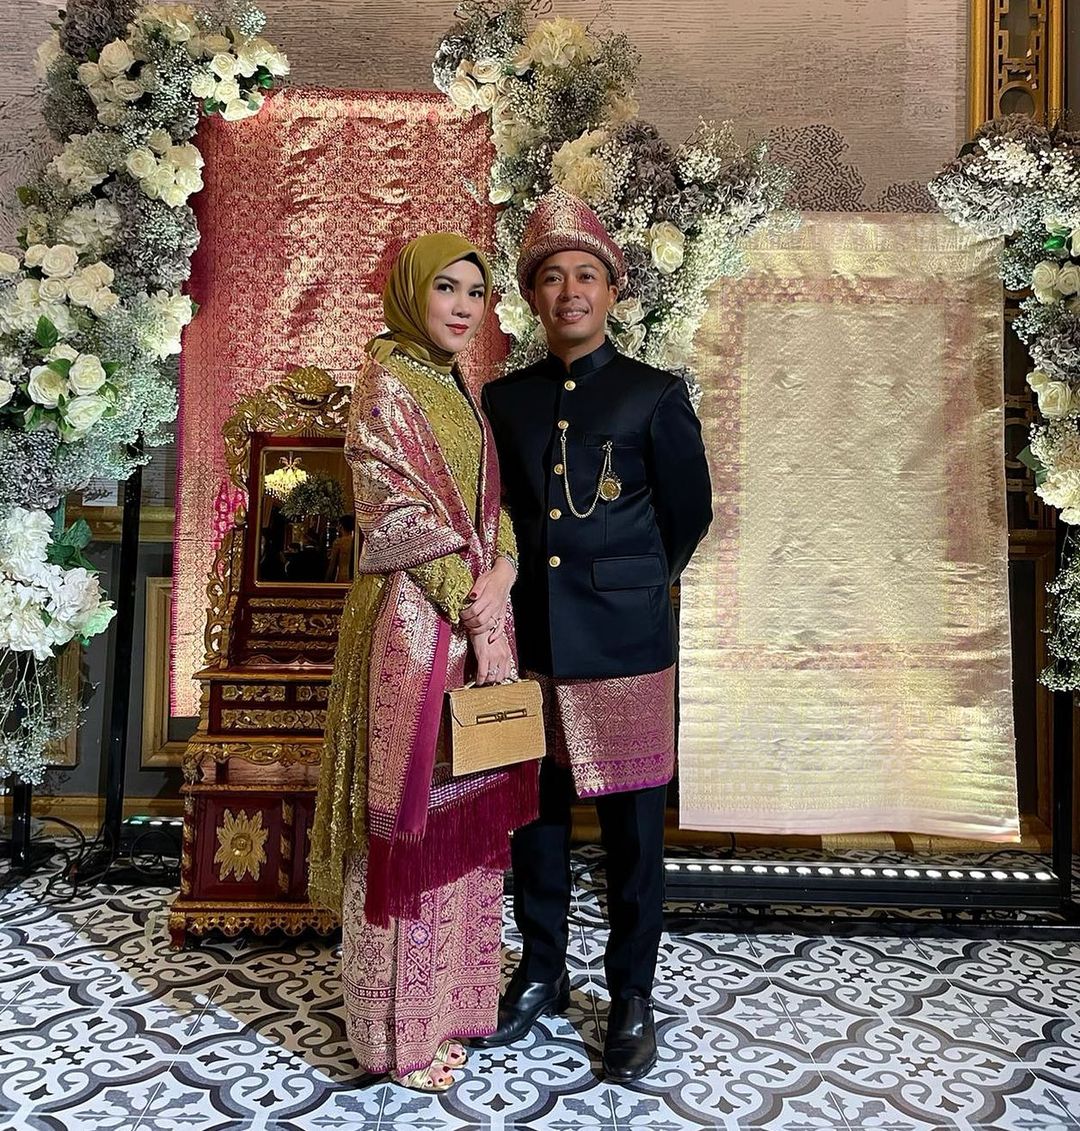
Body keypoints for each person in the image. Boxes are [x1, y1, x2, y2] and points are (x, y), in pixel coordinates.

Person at [475, 189, 713, 1082]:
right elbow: (496, 516)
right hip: (530, 641)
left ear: (612, 291)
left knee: (633, 834)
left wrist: (630, 584)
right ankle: (540, 971)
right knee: (532, 819)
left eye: (585, 275)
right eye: (551, 278)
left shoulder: (655, 393)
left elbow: (688, 515)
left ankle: (632, 995)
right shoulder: (505, 400)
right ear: (531, 298)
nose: (569, 291)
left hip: (625, 646)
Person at [309, 233, 537, 1093]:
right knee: (406, 819)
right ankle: (395, 1036)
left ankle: (451, 1005)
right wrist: (470, 596)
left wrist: (504, 570)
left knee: (458, 812)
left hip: (472, 621)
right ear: (411, 293)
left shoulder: (456, 384)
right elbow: (391, 511)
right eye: (447, 288)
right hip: (412, 628)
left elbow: (491, 504)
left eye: (476, 292)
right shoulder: (387, 381)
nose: (464, 306)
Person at [325, 513, 355, 582]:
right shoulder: (354, 541)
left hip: (342, 576)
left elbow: (332, 564)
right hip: (353, 576)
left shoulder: (339, 542)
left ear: (341, 526)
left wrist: (327, 579)